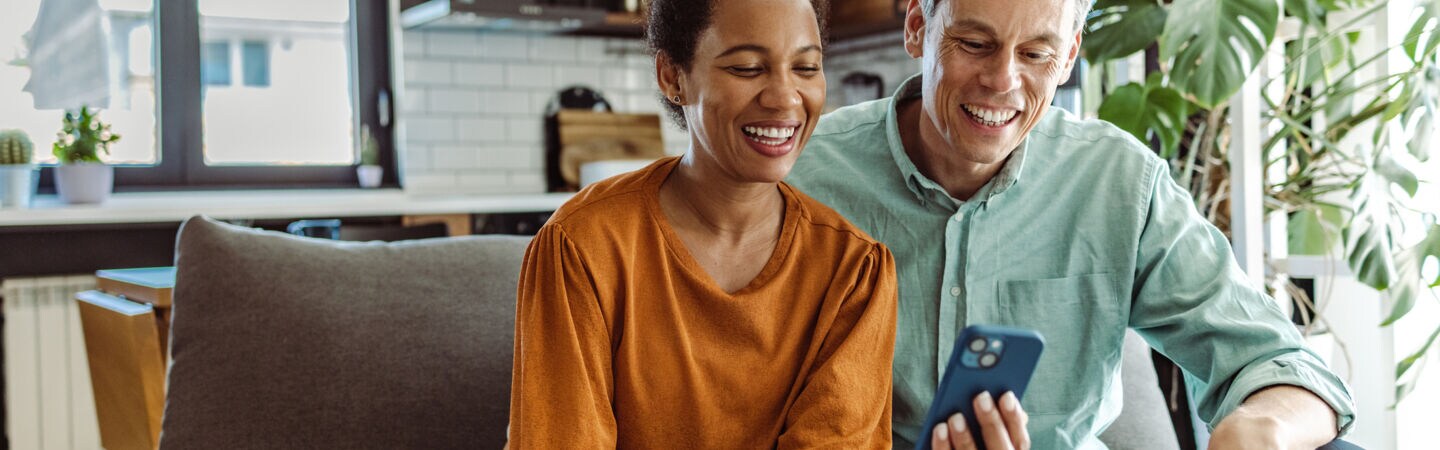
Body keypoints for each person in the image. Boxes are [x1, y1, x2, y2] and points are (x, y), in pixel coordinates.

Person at [786, 0, 1357, 449]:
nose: (1001, 80)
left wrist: (1261, 429)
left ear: (1069, 55)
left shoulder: (1119, 182)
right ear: (918, 26)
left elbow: (1280, 364)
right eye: (975, 43)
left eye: (1037, 53)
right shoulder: (805, 174)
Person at [508, 0, 898, 448]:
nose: (785, 97)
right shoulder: (581, 246)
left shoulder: (854, 272)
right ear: (673, 76)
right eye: (748, 68)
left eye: (806, 68)